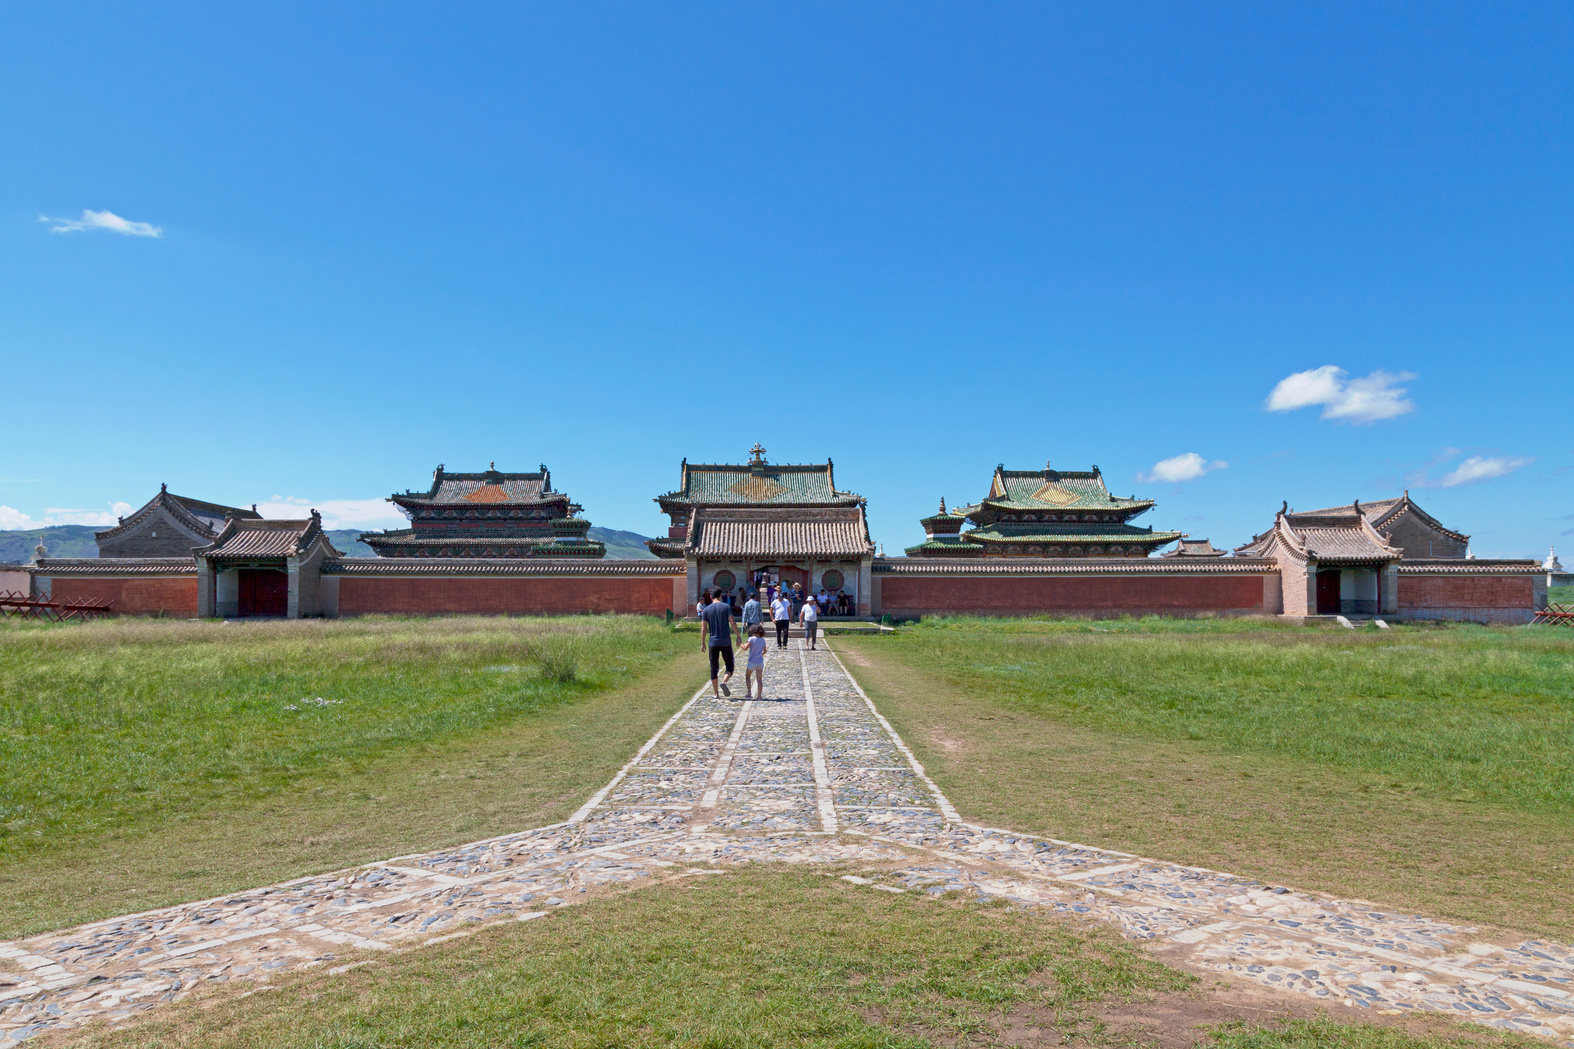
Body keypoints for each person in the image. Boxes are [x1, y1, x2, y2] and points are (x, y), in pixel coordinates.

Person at [700, 589, 741, 697]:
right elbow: (732, 622)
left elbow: (704, 628)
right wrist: (738, 636)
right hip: (726, 642)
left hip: (713, 642)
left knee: (714, 667)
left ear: (710, 597)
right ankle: (724, 682)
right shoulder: (726, 607)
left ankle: (716, 693)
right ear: (720, 596)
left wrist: (703, 643)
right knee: (729, 666)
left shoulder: (706, 610)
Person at [742, 623, 768, 699]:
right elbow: (764, 651)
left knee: (747, 676)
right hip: (760, 662)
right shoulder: (763, 640)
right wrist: (759, 655)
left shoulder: (751, 639)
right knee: (759, 680)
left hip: (752, 662)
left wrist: (740, 643)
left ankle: (749, 692)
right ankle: (759, 696)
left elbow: (745, 648)